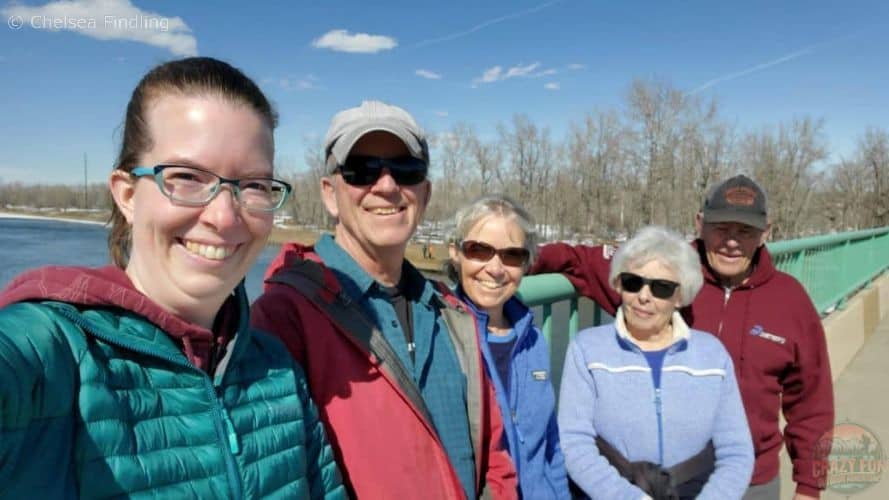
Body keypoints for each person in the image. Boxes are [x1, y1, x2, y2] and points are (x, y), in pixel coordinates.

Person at [0, 57, 343, 499]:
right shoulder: (52, 353)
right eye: (185, 177)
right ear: (127, 194)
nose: (224, 216)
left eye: (255, 185)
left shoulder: (277, 371)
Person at [251, 101, 517, 499]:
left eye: (406, 170)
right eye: (362, 170)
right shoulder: (285, 317)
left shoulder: (452, 313)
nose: (387, 186)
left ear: (425, 194)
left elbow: (494, 457)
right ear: (329, 194)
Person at [531, 175, 834, 499]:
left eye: (745, 231)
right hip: (648, 482)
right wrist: (510, 264)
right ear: (700, 223)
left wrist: (809, 485)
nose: (732, 242)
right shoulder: (662, 271)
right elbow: (579, 260)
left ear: (766, 233)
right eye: (721, 228)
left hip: (752, 478)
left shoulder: (790, 300)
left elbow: (812, 400)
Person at [559, 225, 754, 499]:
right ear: (618, 284)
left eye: (662, 288)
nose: (644, 297)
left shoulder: (712, 354)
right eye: (632, 282)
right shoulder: (587, 349)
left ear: (680, 296)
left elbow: (736, 450)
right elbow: (574, 443)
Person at [446, 195, 570, 499]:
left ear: (527, 264)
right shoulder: (440, 334)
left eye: (512, 255)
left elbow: (550, 445)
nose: (496, 269)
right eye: (479, 250)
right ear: (455, 253)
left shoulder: (533, 340)